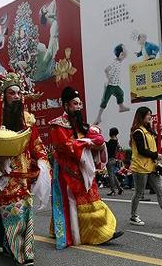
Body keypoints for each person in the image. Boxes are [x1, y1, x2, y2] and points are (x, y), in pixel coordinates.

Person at [0, 71, 50, 266]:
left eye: (19, 93)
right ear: (3, 96)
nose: (17, 96)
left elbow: (36, 143)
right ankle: (22, 253)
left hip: (23, 172)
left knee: (24, 208)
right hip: (3, 173)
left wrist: (42, 160)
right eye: (12, 93)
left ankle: (18, 247)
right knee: (14, 209)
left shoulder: (28, 119)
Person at [49, 87, 124, 249]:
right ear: (66, 105)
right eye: (74, 103)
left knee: (91, 197)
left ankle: (101, 231)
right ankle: (91, 233)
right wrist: (87, 143)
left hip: (83, 166)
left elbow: (93, 138)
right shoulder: (57, 125)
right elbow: (66, 146)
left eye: (79, 103)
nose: (78, 107)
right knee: (73, 200)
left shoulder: (80, 125)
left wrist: (95, 140)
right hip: (67, 169)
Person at [93, 44, 130, 125]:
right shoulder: (115, 62)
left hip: (116, 85)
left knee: (120, 93)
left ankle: (121, 107)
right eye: (124, 51)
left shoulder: (119, 61)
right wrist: (109, 78)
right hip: (110, 86)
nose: (126, 52)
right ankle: (98, 117)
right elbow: (106, 70)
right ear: (121, 54)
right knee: (105, 101)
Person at [106, 127, 124, 196]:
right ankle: (119, 188)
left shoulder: (111, 141)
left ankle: (113, 190)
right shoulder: (116, 140)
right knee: (113, 174)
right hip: (114, 159)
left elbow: (108, 149)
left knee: (111, 176)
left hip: (109, 159)